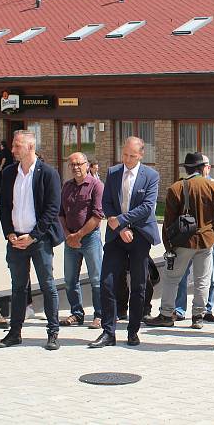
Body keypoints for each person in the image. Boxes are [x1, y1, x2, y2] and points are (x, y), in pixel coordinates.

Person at [89, 136, 160, 348]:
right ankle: (108, 332)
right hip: (115, 235)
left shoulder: (151, 175)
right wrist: (119, 228)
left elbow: (147, 206)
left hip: (140, 236)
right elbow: (107, 202)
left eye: (132, 155)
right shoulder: (113, 173)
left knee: (138, 284)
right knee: (107, 282)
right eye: (125, 155)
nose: (128, 159)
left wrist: (122, 220)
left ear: (141, 154)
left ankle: (133, 331)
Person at [0, 130, 64, 350]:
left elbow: (52, 209)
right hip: (15, 240)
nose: (13, 149)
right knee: (18, 288)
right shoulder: (9, 173)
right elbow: (5, 206)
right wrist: (10, 233)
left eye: (17, 145)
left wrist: (33, 236)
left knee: (47, 285)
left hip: (40, 240)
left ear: (31, 147)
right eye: (14, 145)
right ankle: (15, 332)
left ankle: (53, 332)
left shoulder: (48, 173)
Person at [145, 152, 214, 329]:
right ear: (203, 168)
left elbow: (168, 222)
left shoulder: (176, 188)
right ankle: (198, 317)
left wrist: (168, 245)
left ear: (187, 169)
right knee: (202, 280)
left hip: (183, 241)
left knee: (172, 279)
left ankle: (166, 314)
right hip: (207, 240)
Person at [58, 152, 104, 329]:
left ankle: (100, 315)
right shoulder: (67, 186)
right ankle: (76, 313)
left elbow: (98, 215)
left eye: (79, 164)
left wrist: (78, 236)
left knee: (96, 279)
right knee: (70, 280)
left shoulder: (96, 185)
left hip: (90, 238)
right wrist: (68, 235)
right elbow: (60, 213)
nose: (76, 167)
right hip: (70, 240)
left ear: (87, 164)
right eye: (72, 164)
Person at [174, 154, 214, 323]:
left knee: (209, 277)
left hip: (209, 239)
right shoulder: (183, 186)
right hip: (189, 238)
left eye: (209, 165)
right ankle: (180, 309)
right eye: (205, 165)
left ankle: (206, 309)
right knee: (183, 276)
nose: (207, 168)